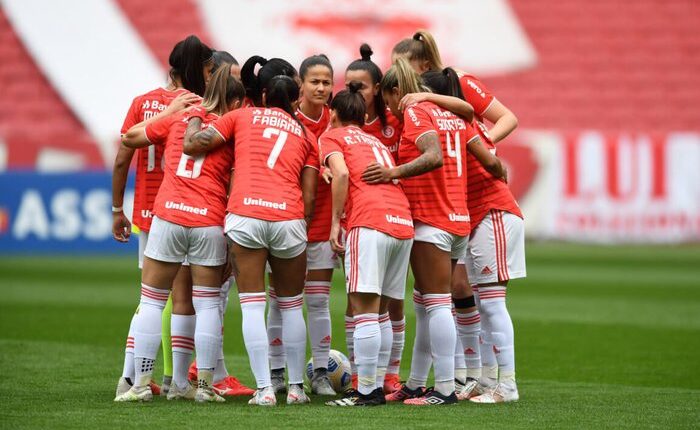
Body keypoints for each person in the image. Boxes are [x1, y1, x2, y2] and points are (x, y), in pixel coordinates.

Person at [363, 58, 507, 406]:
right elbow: (481, 142)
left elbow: (433, 156)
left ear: (397, 91)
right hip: (458, 218)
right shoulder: (450, 113)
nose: (387, 108)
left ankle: (443, 388)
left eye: (387, 99)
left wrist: (391, 172)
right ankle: (416, 383)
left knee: (438, 305)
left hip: (432, 218)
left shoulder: (416, 112)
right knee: (430, 306)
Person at [394, 30, 524, 403]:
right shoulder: (453, 121)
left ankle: (507, 384)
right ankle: (483, 379)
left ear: (421, 68)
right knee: (475, 296)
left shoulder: (451, 97)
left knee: (492, 301)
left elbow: (499, 141)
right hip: (472, 215)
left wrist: (484, 149)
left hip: (492, 210)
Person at [185, 75, 319, 407]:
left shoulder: (241, 115)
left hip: (246, 215)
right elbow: (311, 197)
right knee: (290, 307)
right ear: (294, 102)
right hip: (288, 217)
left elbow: (195, 144)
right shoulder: (306, 134)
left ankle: (264, 390)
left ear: (260, 95)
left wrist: (195, 115)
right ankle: (298, 389)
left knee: (252, 306)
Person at [116, 64, 245, 403]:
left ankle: (140, 385)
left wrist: (170, 111)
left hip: (169, 215)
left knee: (151, 302)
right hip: (209, 221)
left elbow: (129, 137)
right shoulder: (232, 129)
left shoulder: (179, 118)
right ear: (234, 101)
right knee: (205, 307)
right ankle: (198, 387)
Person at [112, 34, 212, 399]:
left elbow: (124, 153)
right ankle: (177, 382)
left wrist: (116, 210)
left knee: (150, 298)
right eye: (207, 67)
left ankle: (131, 379)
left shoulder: (142, 103)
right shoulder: (199, 105)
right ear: (195, 68)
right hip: (187, 208)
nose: (210, 73)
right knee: (181, 297)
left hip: (148, 211)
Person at [321, 84, 414, 407]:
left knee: (363, 311)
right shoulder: (376, 142)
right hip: (402, 222)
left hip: (369, 220)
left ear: (332, 114)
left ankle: (367, 391)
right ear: (363, 116)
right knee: (383, 313)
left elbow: (343, 174)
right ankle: (381, 382)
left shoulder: (331, 137)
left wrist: (335, 222)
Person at [296, 54, 337, 395]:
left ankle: (321, 372)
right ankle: (279, 372)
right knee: (283, 300)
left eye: (326, 82)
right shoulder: (287, 117)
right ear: (301, 84)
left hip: (323, 221)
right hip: (287, 220)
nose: (321, 87)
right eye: (315, 81)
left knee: (319, 301)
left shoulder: (336, 120)